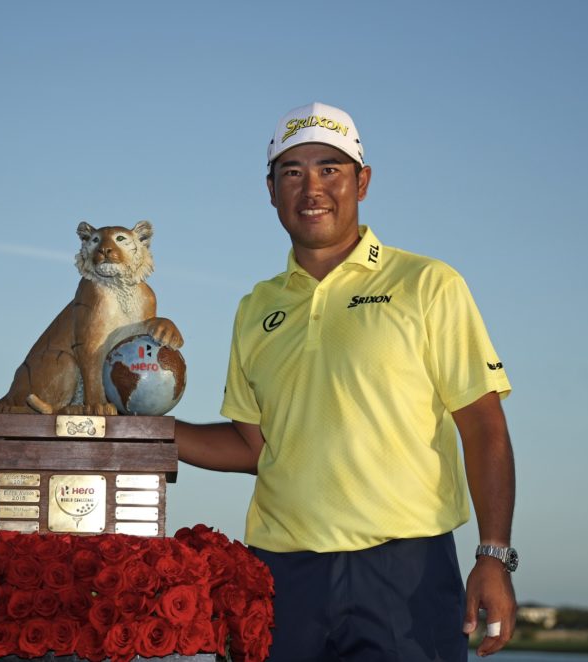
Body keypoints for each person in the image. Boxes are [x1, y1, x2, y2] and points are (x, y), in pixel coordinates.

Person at [175, 101, 517, 661]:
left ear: (362, 182)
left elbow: (483, 425)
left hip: (406, 571)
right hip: (281, 573)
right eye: (292, 172)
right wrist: (149, 433)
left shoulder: (428, 283)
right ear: (271, 190)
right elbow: (253, 447)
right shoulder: (255, 307)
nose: (312, 188)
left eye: (329, 169)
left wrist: (494, 554)